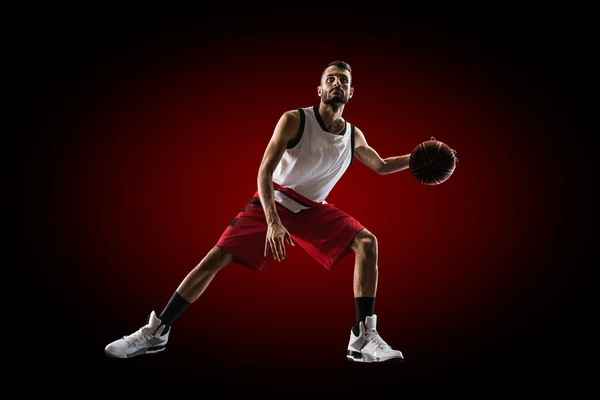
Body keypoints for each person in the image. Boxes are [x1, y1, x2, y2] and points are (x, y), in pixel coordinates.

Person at [105, 60, 421, 363]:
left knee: (367, 242)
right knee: (215, 258)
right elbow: (264, 172)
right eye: (331, 79)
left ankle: (363, 336)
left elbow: (380, 166)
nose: (337, 83)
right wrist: (272, 221)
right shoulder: (296, 119)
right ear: (320, 89)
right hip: (275, 199)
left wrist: (419, 156)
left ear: (351, 93)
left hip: (313, 209)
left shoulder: (354, 135)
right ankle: (156, 330)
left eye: (344, 81)